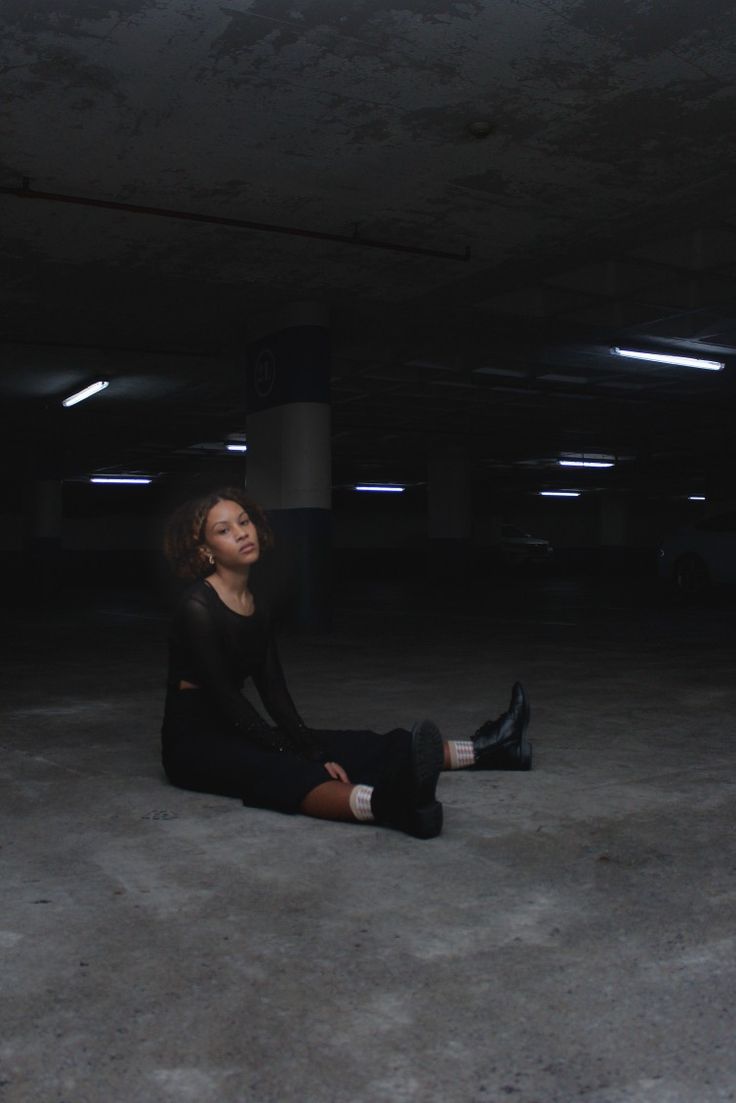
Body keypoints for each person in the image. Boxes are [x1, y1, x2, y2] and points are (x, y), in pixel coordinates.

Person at [161, 487, 532, 839]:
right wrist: (294, 753)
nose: (242, 533)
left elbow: (273, 690)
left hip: (235, 727)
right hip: (194, 742)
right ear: (206, 550)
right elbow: (229, 700)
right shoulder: (198, 608)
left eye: (244, 521)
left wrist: (310, 747)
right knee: (282, 768)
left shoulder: (257, 604)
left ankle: (489, 749)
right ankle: (393, 806)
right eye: (224, 530)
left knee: (352, 746)